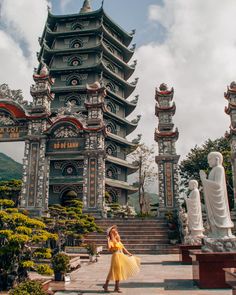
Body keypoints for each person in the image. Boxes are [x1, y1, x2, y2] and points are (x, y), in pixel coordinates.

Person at [200, 151, 234, 238]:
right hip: (213, 200)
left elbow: (217, 185)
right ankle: (215, 232)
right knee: (213, 218)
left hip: (218, 201)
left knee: (220, 219)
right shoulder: (213, 170)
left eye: (209, 159)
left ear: (216, 159)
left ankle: (221, 233)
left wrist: (204, 180)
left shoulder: (219, 168)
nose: (208, 162)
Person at [103, 225, 140, 293]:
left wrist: (129, 253)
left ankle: (114, 287)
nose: (117, 233)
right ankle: (108, 285)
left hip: (121, 256)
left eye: (117, 232)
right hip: (116, 256)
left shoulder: (118, 241)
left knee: (118, 271)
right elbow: (108, 248)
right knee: (114, 271)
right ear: (113, 234)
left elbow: (123, 248)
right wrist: (108, 240)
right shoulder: (111, 241)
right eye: (115, 233)